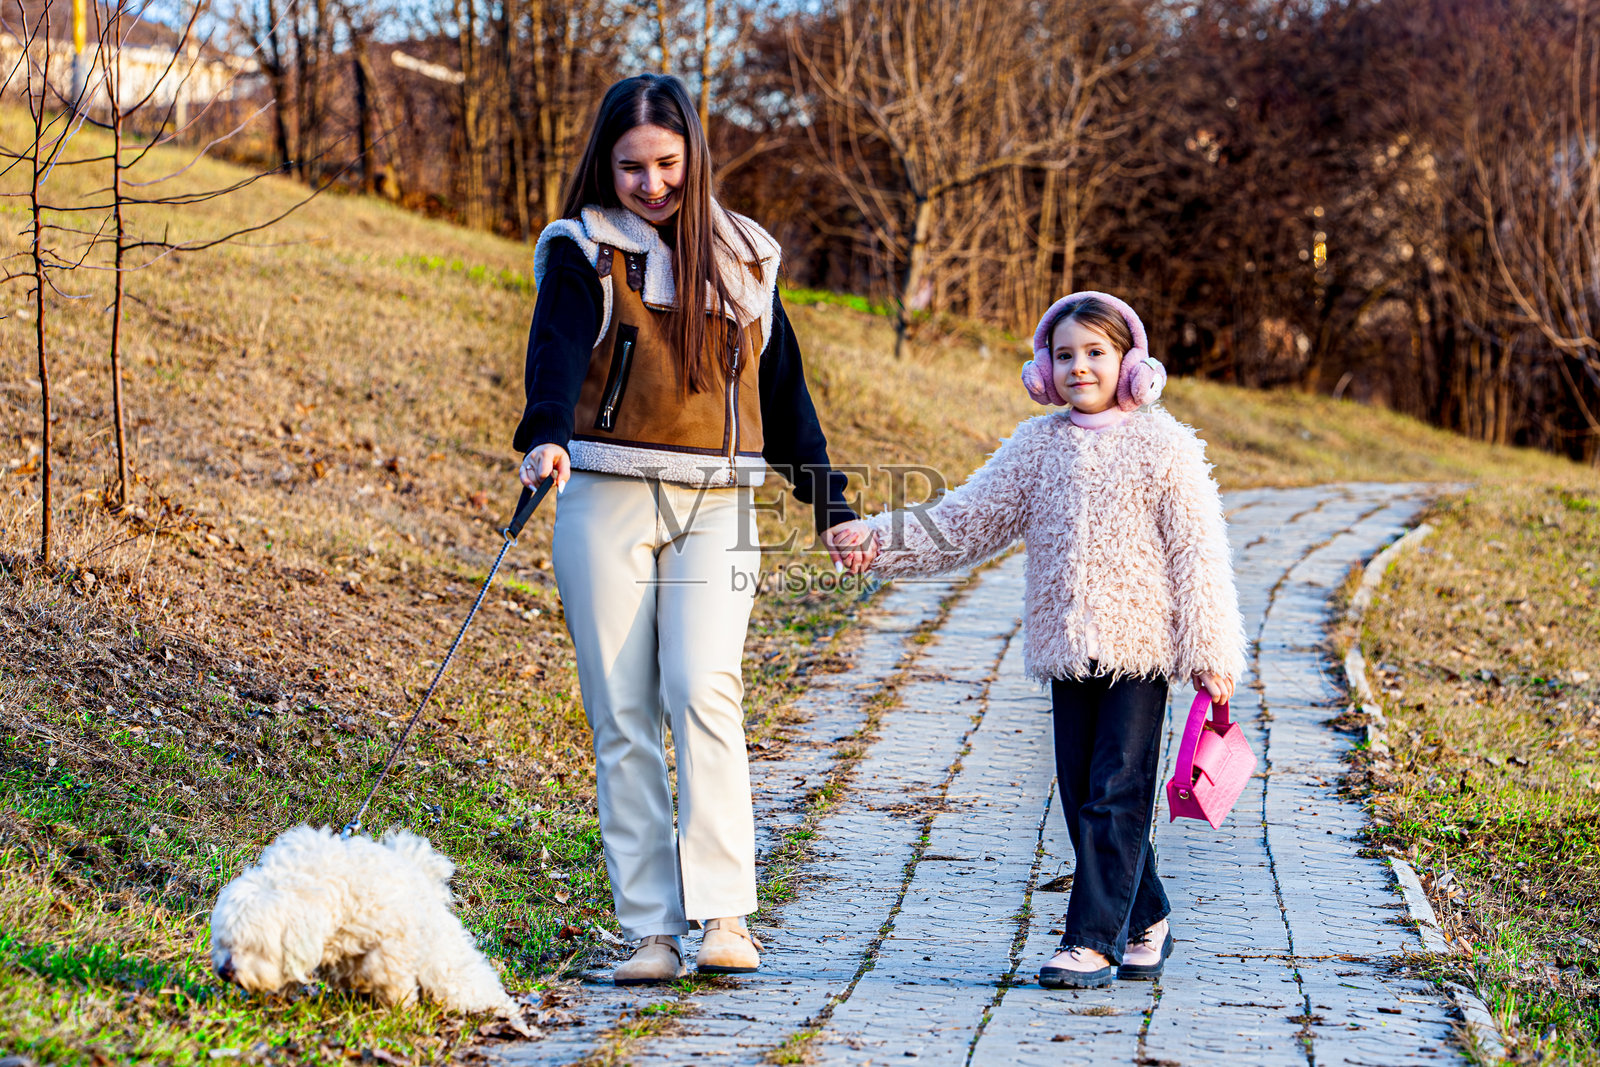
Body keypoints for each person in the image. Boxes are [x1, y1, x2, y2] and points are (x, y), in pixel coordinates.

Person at [513, 74, 868, 984]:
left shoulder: (747, 254)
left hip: (716, 503)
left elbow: (781, 390)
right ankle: (651, 932)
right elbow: (553, 353)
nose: (651, 184)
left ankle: (724, 917)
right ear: (607, 163)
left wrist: (829, 503)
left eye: (668, 164)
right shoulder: (581, 248)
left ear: (694, 157)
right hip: (605, 495)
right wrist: (544, 436)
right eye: (632, 167)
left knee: (702, 688)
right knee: (621, 712)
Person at [832, 292, 1246, 988]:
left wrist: (1212, 654)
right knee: (1083, 789)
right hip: (1065, 645)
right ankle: (1146, 915)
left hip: (1140, 650)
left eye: (1096, 353)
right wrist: (879, 539)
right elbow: (965, 519)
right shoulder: (1037, 446)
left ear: (1131, 364)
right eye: (1064, 355)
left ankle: (1090, 941)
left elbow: (1199, 554)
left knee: (1117, 788)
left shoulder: (1164, 446)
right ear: (1043, 368)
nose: (1080, 367)